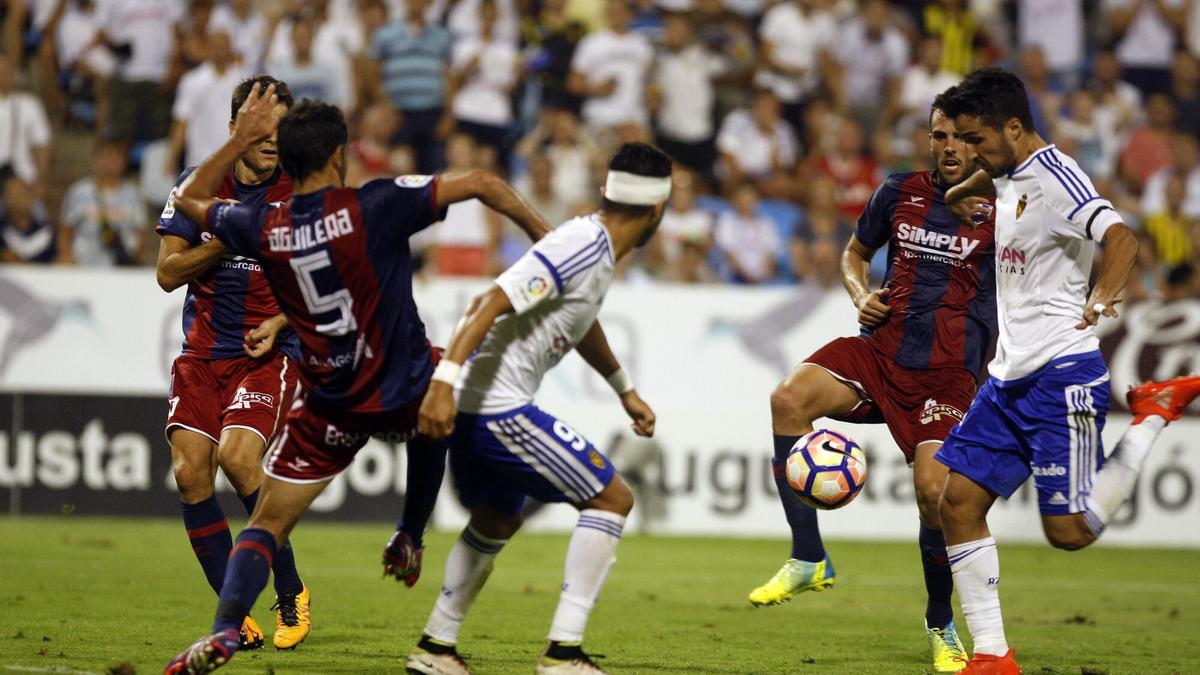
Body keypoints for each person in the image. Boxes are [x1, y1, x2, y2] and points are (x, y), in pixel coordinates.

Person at [164, 86, 550, 675]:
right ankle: (411, 537)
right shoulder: (374, 205)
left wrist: (239, 137)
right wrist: (547, 242)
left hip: (331, 402)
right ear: (339, 155)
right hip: (400, 382)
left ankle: (221, 631)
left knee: (266, 520)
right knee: (444, 408)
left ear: (285, 159)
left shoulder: (264, 224)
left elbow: (191, 199)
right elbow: (483, 184)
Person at [935, 67, 1200, 674]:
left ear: (1013, 126)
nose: (967, 151)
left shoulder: (1057, 177)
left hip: (1061, 373)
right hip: (1008, 377)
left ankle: (1153, 414)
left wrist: (1104, 294)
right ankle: (993, 657)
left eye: (975, 139)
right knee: (957, 503)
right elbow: (982, 182)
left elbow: (1122, 238)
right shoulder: (1003, 173)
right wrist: (958, 195)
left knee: (1070, 532)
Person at [748, 102, 996, 674]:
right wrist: (859, 294)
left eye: (963, 137)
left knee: (934, 492)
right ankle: (809, 555)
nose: (950, 146)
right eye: (940, 135)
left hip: (947, 372)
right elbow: (855, 253)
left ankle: (940, 621)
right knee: (788, 398)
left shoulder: (1001, 210)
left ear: (982, 144)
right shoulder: (899, 190)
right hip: (881, 353)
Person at [404, 142, 669, 675]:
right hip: (495, 409)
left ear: (606, 191)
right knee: (612, 498)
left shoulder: (593, 251)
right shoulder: (582, 243)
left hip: (480, 406)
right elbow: (487, 303)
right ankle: (563, 653)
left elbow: (580, 321)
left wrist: (623, 388)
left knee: (498, 517)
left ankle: (437, 648)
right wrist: (444, 384)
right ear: (657, 210)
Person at [156, 75, 308, 654]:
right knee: (191, 471)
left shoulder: (301, 192)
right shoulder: (198, 186)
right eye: (262, 125)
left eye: (282, 128)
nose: (273, 138)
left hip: (266, 353)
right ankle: (231, 617)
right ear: (234, 129)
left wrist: (287, 322)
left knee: (239, 458)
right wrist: (231, 229)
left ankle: (291, 591)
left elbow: (332, 282)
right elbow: (168, 274)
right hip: (201, 354)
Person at [60, 137, 146, 267]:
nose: (110, 163)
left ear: (123, 162)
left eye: (115, 158)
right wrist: (68, 259)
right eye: (106, 157)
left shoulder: (133, 195)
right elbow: (66, 231)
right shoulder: (79, 192)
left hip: (120, 266)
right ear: (96, 159)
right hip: (83, 264)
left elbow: (141, 234)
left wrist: (133, 263)